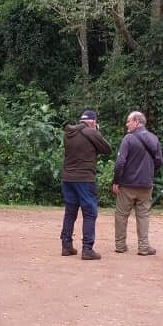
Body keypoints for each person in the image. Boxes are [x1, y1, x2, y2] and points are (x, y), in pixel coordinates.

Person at [61, 109, 112, 260]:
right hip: (85, 178)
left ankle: (66, 245)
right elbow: (107, 149)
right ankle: (87, 249)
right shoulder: (91, 132)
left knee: (70, 212)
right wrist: (97, 132)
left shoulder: (68, 134)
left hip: (68, 178)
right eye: (95, 122)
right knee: (90, 212)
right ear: (92, 121)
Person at [112, 111, 163, 255]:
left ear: (137, 121)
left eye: (129, 121)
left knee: (121, 214)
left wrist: (116, 180)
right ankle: (143, 247)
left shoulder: (128, 139)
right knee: (143, 215)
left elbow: (120, 162)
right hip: (146, 184)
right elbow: (159, 161)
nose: (127, 124)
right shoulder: (154, 138)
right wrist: (149, 172)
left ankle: (120, 245)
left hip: (127, 184)